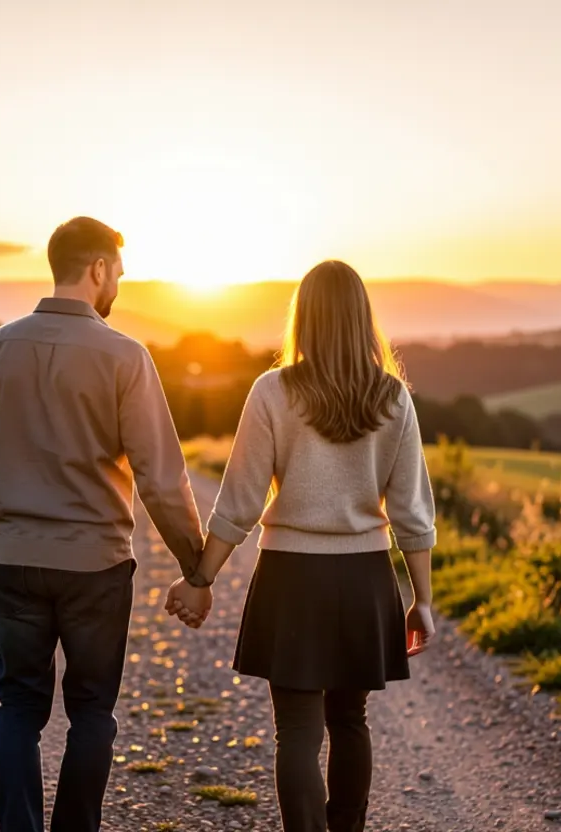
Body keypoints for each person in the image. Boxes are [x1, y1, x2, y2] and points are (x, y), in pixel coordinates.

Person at [0, 216, 212, 832]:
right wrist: (197, 568)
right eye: (118, 273)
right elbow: (161, 479)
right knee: (91, 712)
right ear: (97, 268)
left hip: (13, 560)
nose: (118, 285)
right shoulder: (127, 357)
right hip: (97, 567)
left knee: (18, 707)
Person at [166, 259, 438, 832]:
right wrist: (423, 600)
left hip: (290, 578)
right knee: (351, 720)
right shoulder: (393, 398)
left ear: (304, 318)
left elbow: (238, 502)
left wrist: (201, 578)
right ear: (362, 319)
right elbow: (412, 513)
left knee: (296, 731)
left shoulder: (272, 391)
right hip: (364, 577)